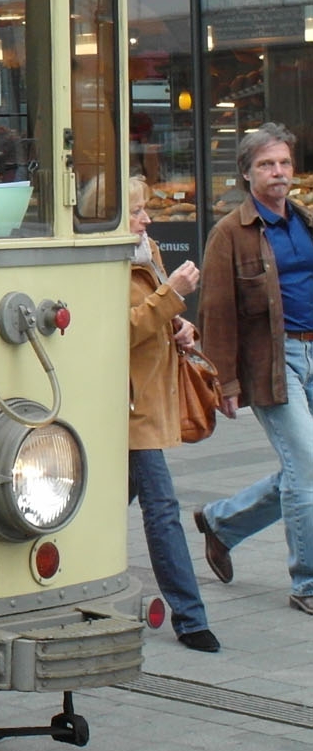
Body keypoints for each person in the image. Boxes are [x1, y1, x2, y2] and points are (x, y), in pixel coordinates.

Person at [194, 123, 313, 616]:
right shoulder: (230, 233)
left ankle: (223, 523)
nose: (278, 172)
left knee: (302, 467)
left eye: (284, 163)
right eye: (267, 164)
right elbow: (215, 312)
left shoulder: (303, 220)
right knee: (306, 471)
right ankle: (307, 584)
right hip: (273, 361)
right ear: (246, 173)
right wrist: (224, 381)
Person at [128, 177, 220, 652]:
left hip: (148, 399)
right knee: (162, 509)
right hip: (128, 406)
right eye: (136, 211)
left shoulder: (147, 250)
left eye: (145, 209)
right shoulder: (104, 263)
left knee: (105, 505)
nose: (146, 219)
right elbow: (118, 331)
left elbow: (157, 317)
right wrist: (173, 296)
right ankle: (191, 619)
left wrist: (182, 324)